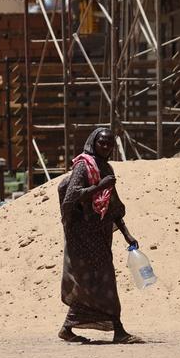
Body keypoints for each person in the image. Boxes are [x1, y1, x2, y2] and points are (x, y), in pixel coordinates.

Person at [57, 127, 142, 344]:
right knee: (104, 282)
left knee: (92, 283)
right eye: (102, 142)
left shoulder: (106, 167)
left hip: (100, 237)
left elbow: (112, 207)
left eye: (109, 143)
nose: (105, 146)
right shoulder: (84, 166)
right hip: (83, 238)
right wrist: (99, 186)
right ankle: (119, 330)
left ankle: (68, 328)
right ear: (93, 142)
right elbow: (71, 198)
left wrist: (127, 234)